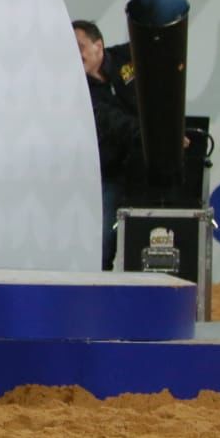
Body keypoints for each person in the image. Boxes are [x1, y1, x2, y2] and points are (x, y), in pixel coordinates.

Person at [74, 20, 141, 270]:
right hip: (109, 174)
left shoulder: (127, 57)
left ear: (98, 46)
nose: (73, 53)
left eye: (79, 45)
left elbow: (158, 43)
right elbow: (113, 122)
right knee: (102, 243)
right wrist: (148, 136)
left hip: (145, 170)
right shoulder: (78, 91)